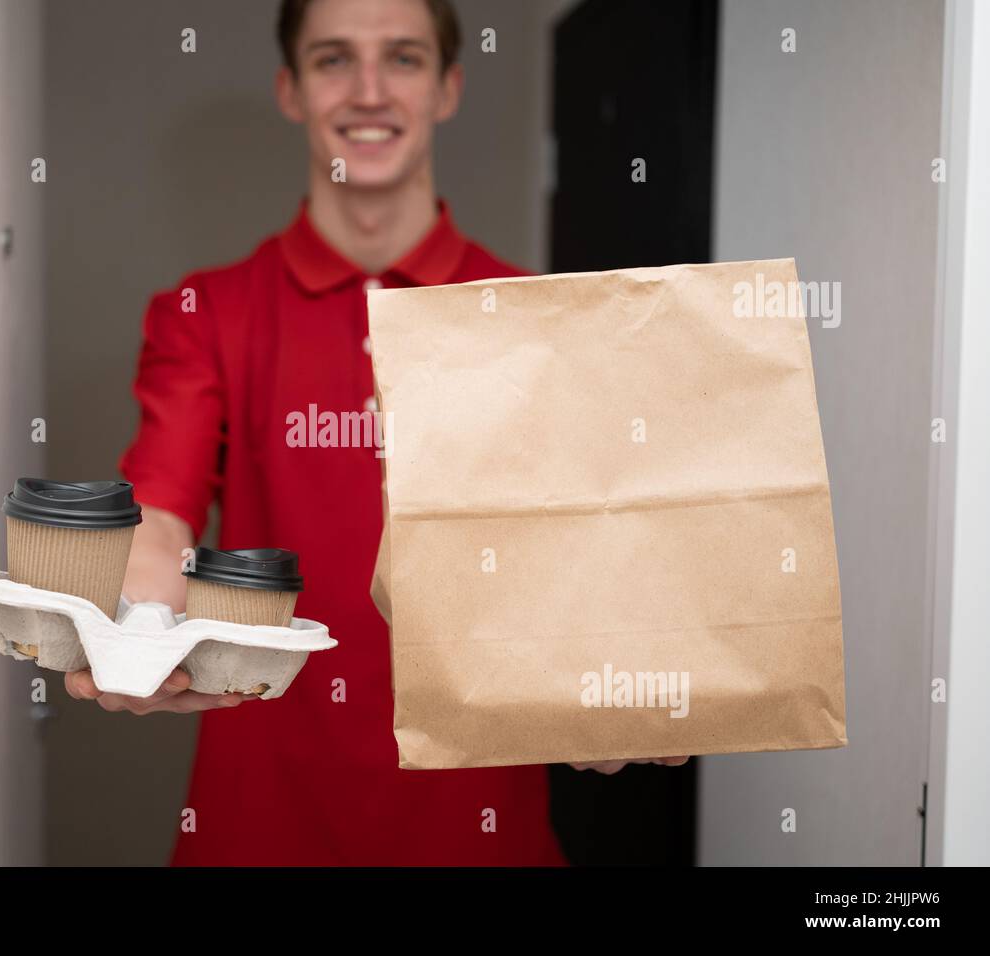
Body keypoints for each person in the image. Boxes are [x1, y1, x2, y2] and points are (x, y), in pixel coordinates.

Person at [64, 0, 688, 866]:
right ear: (290, 90)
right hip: (259, 824)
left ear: (447, 87)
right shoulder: (208, 314)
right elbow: (161, 517)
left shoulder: (531, 318)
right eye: (332, 60)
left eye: (401, 58)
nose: (368, 91)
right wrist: (136, 629)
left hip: (478, 829)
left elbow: (575, 562)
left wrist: (605, 682)